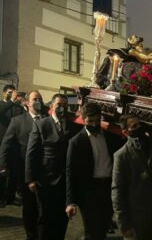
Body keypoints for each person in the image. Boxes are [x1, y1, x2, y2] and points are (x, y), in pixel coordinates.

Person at [25, 93, 82, 240]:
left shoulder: (73, 127)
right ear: (51, 107)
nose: (62, 108)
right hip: (46, 181)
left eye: (65, 105)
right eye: (59, 105)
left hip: (65, 182)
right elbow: (31, 153)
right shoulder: (41, 124)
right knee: (45, 218)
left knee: (62, 219)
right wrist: (30, 179)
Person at [65, 102, 122, 240]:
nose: (94, 124)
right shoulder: (76, 142)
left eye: (97, 121)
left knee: (103, 227)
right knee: (91, 230)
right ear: (83, 120)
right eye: (90, 121)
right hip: (89, 192)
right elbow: (70, 172)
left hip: (108, 188)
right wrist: (70, 202)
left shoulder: (110, 137)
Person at [0, 91, 46, 239]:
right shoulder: (17, 121)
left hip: (45, 171)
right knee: (29, 206)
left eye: (40, 99)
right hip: (24, 171)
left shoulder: (47, 120)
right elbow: (5, 145)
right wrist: (3, 165)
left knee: (43, 207)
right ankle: (31, 235)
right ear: (27, 103)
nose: (38, 101)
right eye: (35, 99)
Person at [112, 114, 152, 240]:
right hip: (137, 220)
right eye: (134, 126)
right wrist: (124, 225)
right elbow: (117, 191)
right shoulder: (122, 155)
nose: (139, 128)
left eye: (140, 124)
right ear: (125, 132)